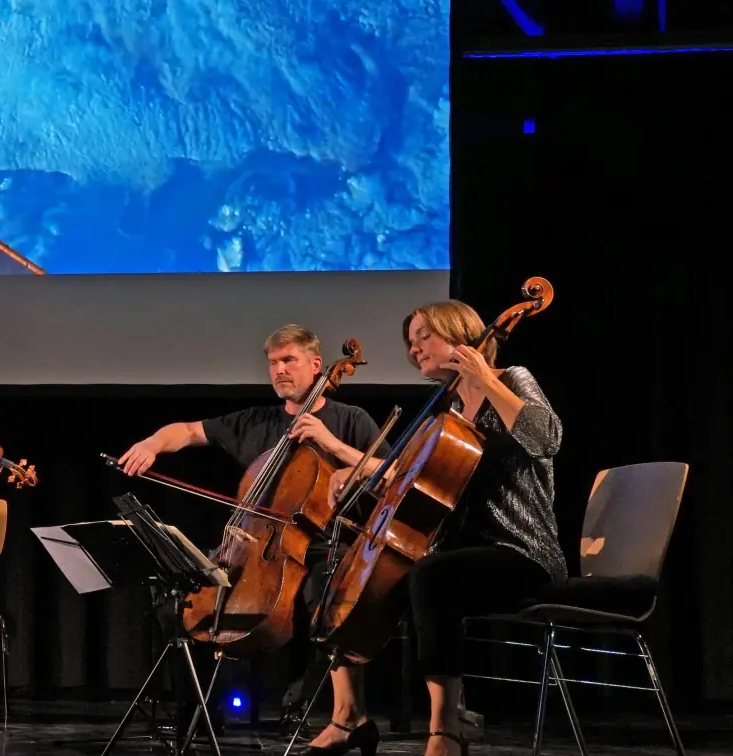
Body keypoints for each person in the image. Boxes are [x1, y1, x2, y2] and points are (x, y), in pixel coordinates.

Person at [116, 324, 388, 755]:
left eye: (289, 361)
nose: (279, 370)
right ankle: (199, 711)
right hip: (254, 544)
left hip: (323, 545)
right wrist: (152, 443)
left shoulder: (350, 420)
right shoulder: (256, 421)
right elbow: (186, 431)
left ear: (317, 366)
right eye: (273, 363)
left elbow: (390, 474)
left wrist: (331, 444)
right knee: (178, 599)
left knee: (323, 596)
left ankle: (321, 710)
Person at [320, 300, 565, 756]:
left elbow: (547, 437)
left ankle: (444, 728)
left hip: (523, 553)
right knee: (342, 578)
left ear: (459, 336)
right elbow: (407, 480)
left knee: (433, 577)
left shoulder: (513, 379)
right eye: (410, 344)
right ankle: (347, 714)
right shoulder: (446, 412)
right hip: (462, 553)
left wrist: (486, 379)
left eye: (422, 338)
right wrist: (349, 477)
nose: (414, 351)